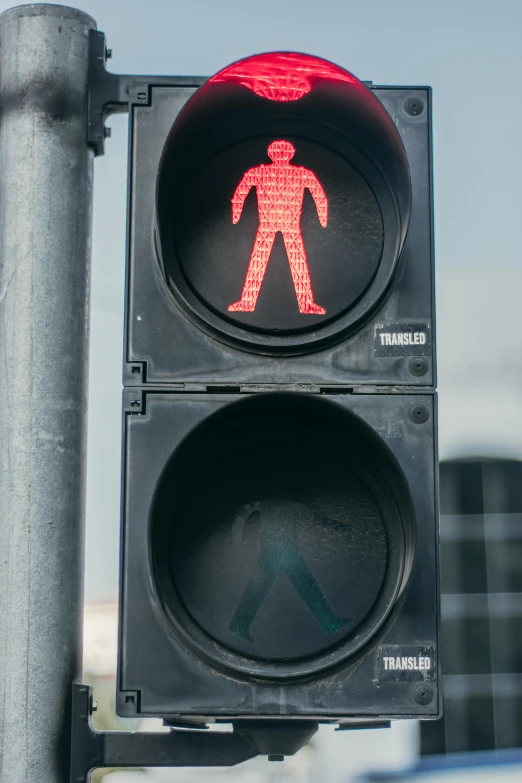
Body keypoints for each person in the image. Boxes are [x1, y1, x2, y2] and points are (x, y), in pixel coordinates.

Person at [228, 140, 328, 315]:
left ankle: (304, 304)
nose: (281, 156)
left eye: (283, 152)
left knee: (292, 263)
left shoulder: (262, 172)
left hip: (284, 224)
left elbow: (318, 195)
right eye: (279, 152)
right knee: (271, 262)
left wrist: (237, 215)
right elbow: (240, 194)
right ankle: (247, 302)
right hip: (271, 223)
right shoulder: (297, 174)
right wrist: (322, 218)